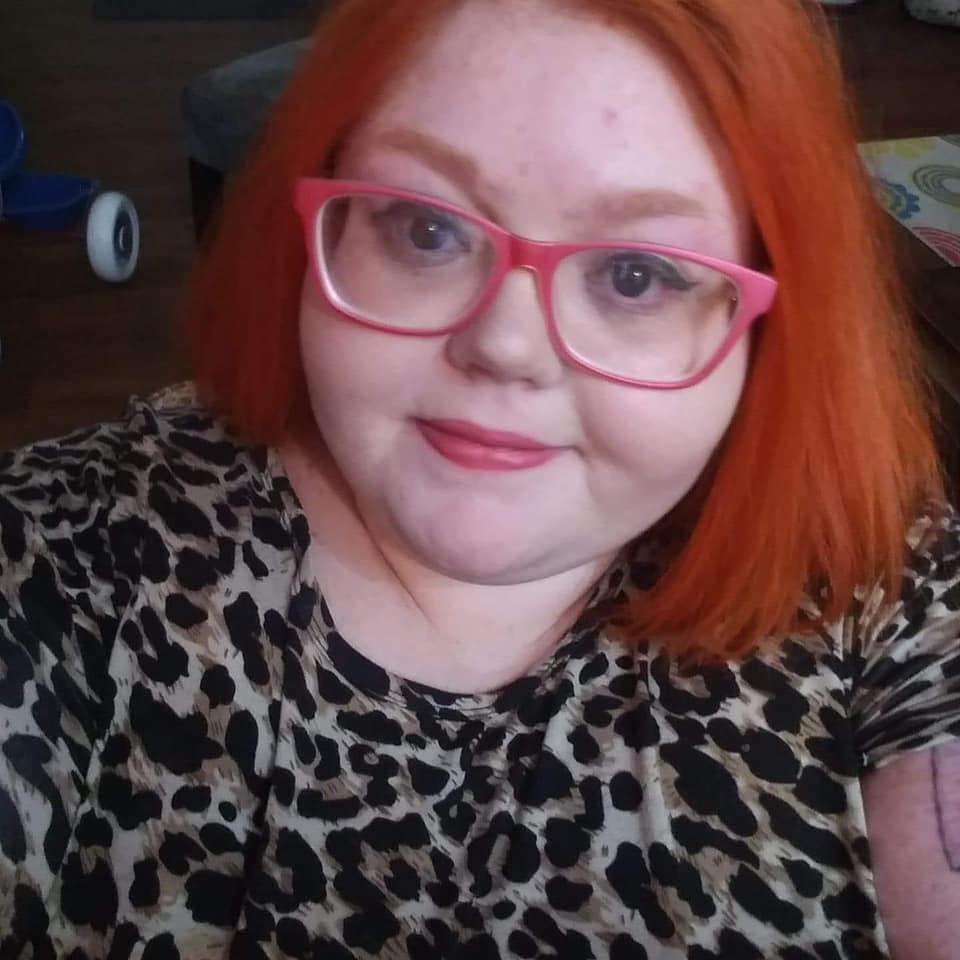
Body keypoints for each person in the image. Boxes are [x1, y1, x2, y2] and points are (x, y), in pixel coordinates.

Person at [2, 0, 958, 956]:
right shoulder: (66, 556)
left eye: (635, 275)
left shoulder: (875, 571)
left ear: (769, 322)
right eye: (425, 228)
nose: (506, 344)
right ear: (316, 224)